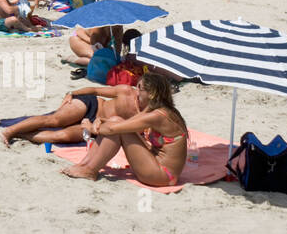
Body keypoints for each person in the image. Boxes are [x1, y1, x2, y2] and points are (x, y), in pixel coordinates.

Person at [60, 73, 190, 186]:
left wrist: (91, 127)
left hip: (162, 176)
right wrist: (105, 121)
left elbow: (113, 130)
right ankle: (85, 165)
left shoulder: (157, 116)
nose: (136, 92)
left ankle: (90, 170)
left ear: (151, 94)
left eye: (140, 89)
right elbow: (127, 123)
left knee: (116, 127)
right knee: (116, 120)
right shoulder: (157, 109)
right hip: (156, 166)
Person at [0, 80, 142, 147]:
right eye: (140, 86)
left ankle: (20, 134)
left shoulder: (148, 116)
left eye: (143, 88)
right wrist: (72, 93)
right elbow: (95, 90)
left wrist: (95, 125)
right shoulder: (127, 91)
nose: (139, 89)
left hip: (97, 127)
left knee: (62, 136)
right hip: (92, 104)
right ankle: (9, 131)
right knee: (55, 120)